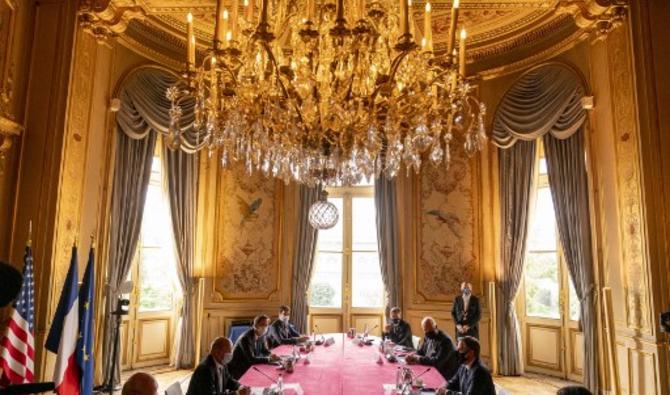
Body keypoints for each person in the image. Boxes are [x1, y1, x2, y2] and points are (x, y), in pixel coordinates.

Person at [186, 337, 251, 395]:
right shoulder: (205, 370)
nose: (230, 355)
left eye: (231, 352)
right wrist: (237, 393)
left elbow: (228, 380)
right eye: (228, 352)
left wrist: (240, 386)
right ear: (216, 351)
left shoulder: (222, 363)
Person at [228, 315, 280, 379]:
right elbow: (251, 359)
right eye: (263, 324)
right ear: (256, 326)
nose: (265, 327)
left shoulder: (261, 335)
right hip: (239, 368)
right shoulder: (246, 338)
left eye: (266, 325)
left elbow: (264, 350)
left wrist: (271, 355)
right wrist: (269, 359)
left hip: (250, 365)